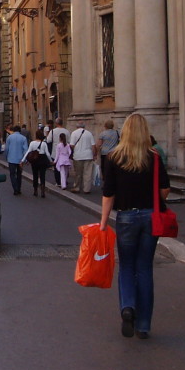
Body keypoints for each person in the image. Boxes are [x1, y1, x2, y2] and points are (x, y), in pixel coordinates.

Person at [99, 113, 169, 339]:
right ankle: (144, 325)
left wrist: (103, 223)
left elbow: (108, 194)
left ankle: (127, 306)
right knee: (145, 268)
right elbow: (164, 190)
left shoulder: (114, 157)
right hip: (150, 217)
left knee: (127, 266)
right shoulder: (154, 157)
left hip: (126, 217)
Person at [22, 128, 53, 198]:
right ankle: (42, 191)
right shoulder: (44, 143)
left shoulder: (32, 143)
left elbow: (28, 152)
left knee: (35, 175)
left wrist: (23, 160)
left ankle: (35, 190)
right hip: (42, 160)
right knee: (42, 175)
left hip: (35, 160)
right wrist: (51, 161)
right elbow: (47, 153)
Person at [69, 121, 96, 194]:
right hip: (88, 155)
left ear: (77, 126)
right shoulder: (89, 133)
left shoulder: (74, 133)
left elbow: (71, 145)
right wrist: (94, 155)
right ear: (84, 126)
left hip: (78, 155)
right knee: (88, 173)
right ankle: (86, 189)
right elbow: (93, 146)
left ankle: (77, 187)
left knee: (78, 173)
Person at [5, 124, 29, 195]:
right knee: (19, 174)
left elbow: (6, 149)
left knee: (12, 174)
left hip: (11, 159)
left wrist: (6, 156)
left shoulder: (9, 137)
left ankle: (15, 188)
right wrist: (25, 159)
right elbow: (26, 150)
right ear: (20, 131)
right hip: (20, 159)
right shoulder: (23, 138)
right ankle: (18, 188)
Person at [50, 118, 70, 185]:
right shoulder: (66, 131)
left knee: (56, 168)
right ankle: (64, 181)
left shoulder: (52, 131)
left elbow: (48, 140)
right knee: (65, 168)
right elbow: (69, 141)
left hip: (54, 152)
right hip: (65, 153)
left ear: (56, 123)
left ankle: (58, 182)